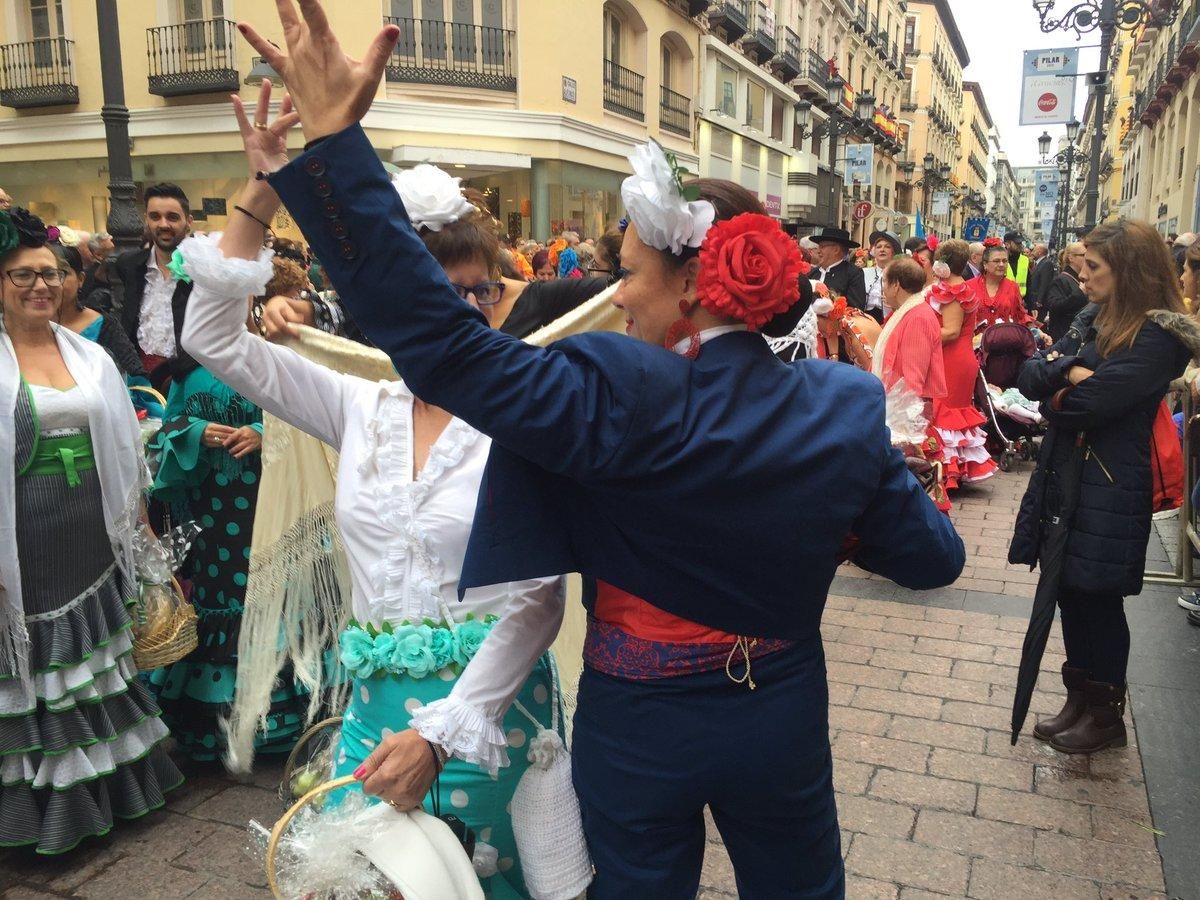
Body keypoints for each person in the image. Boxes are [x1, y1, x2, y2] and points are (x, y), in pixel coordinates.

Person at [232, 10, 964, 896]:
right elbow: (932, 559)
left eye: (626, 271)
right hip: (777, 709)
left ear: (694, 283)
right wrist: (832, 516)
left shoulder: (607, 391)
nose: (615, 296)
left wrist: (339, 144)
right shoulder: (843, 405)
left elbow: (440, 345)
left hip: (638, 724)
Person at [179, 98, 562, 896]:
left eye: (478, 294)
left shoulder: (523, 409)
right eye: (438, 294)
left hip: (489, 722)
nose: (462, 314)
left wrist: (442, 738)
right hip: (371, 717)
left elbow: (538, 598)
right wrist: (261, 191)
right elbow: (211, 338)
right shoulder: (357, 407)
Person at [0, 207, 183, 854]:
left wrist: (140, 531)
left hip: (90, 538)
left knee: (97, 662)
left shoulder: (89, 354)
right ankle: (42, 814)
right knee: (33, 665)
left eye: (49, 274)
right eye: (21, 276)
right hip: (20, 543)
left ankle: (112, 794)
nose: (39, 286)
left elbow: (126, 451)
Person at [1012, 220, 1200, 753]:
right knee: (1069, 588)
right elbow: (1029, 377)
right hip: (1069, 473)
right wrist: (1072, 376)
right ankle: (1080, 698)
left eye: (1094, 267)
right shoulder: (1095, 316)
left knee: (1098, 595)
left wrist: (1062, 380)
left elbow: (1093, 403)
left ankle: (1105, 713)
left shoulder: (1161, 334)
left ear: (1130, 270)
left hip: (1113, 481)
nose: (1082, 274)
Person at [871, 256, 950, 511]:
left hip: (909, 412)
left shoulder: (916, 316)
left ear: (896, 285)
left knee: (916, 473)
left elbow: (913, 379)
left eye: (885, 282)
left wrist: (905, 425)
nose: (882, 290)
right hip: (900, 407)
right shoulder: (909, 312)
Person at [927, 239, 998, 490]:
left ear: (942, 262)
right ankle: (949, 469)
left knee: (945, 413)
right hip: (957, 357)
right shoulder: (957, 287)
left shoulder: (952, 291)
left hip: (952, 358)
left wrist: (920, 336)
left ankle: (946, 472)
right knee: (947, 413)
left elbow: (951, 332)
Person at [112, 183, 196, 387]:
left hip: (188, 378)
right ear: (146, 220)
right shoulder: (130, 265)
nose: (163, 224)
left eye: (173, 217)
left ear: (188, 222)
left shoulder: (201, 270)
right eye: (155, 216)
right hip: (139, 378)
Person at [971, 245, 1030, 331]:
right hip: (975, 341)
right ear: (985, 264)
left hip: (1005, 340)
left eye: (1005, 261)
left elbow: (1020, 316)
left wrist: (1038, 332)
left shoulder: (1013, 287)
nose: (1001, 264)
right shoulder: (969, 286)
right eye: (996, 261)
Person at [811, 225, 868, 313]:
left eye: (822, 246)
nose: (818, 251)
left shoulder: (853, 273)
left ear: (836, 250)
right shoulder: (812, 273)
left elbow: (855, 309)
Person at [1041, 242, 1089, 342]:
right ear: (1071, 258)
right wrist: (1079, 294)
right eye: (1084, 255)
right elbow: (1054, 306)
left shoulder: (1082, 278)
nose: (1087, 258)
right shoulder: (1061, 280)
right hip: (1063, 336)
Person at [863, 230, 901, 322]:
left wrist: (895, 303)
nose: (882, 249)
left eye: (887, 247)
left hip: (890, 320)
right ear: (874, 251)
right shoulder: (863, 272)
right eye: (879, 247)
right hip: (865, 321)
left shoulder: (900, 275)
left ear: (893, 252)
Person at [1027, 242, 1056, 312]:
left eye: (1034, 251)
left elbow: (1044, 283)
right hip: (1033, 300)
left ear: (1039, 252)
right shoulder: (1038, 263)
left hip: (1038, 302)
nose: (1032, 253)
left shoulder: (1047, 263)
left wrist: (1039, 301)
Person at [1005, 231, 1030, 301]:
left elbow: (1028, 283)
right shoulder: (1000, 260)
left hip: (1020, 302)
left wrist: (1031, 305)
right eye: (1017, 243)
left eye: (1021, 243)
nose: (1020, 245)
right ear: (1007, 244)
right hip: (1003, 301)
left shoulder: (1025, 260)